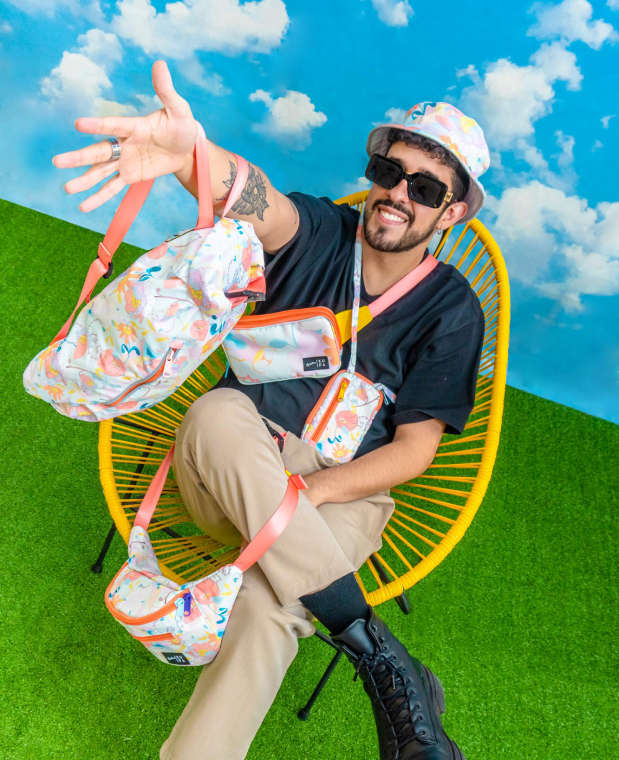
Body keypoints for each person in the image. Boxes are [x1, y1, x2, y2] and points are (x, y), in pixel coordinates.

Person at [53, 61, 488, 760]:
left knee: (266, 604)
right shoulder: (318, 230)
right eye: (388, 171)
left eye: (426, 187)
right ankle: (379, 653)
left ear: (453, 211)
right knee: (215, 414)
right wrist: (192, 157)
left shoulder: (452, 310)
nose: (397, 194)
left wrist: (309, 494)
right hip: (229, 466)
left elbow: (414, 452)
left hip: (342, 491)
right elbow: (252, 198)